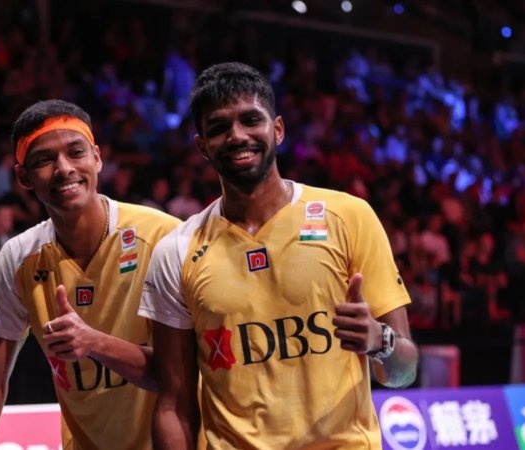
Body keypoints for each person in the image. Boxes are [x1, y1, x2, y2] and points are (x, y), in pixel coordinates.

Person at [139, 62, 418, 449]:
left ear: (278, 129)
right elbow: (174, 403)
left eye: (251, 120)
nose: (237, 136)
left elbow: (404, 371)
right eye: (219, 128)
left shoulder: (349, 216)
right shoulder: (176, 250)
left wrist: (379, 340)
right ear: (202, 146)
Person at [0, 100, 180, 450]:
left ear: (97, 158)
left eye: (76, 152)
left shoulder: (163, 238)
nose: (64, 168)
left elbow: (181, 374)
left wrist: (94, 342)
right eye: (44, 160)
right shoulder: (19, 258)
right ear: (24, 177)